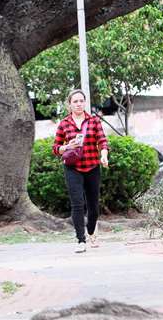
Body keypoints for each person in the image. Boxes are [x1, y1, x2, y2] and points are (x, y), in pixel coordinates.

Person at [53, 89, 109, 253]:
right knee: (77, 204)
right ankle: (80, 240)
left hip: (92, 166)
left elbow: (102, 141)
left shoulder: (94, 121)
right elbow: (55, 148)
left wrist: (104, 156)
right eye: (75, 101)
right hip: (72, 168)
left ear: (85, 103)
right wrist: (67, 146)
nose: (78, 104)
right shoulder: (64, 123)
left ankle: (91, 230)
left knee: (93, 205)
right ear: (69, 104)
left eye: (81, 101)